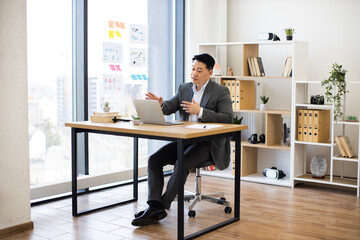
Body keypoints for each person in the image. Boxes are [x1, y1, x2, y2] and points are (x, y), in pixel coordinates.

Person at [131, 53, 233, 226]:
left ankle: (162, 206)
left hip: (208, 143)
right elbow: (170, 106)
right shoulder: (184, 88)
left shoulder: (221, 91)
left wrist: (200, 111)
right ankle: (154, 205)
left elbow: (227, 118)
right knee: (154, 160)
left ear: (210, 73)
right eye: (193, 69)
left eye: (199, 70)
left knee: (182, 162)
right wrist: (160, 104)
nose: (194, 73)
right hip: (185, 140)